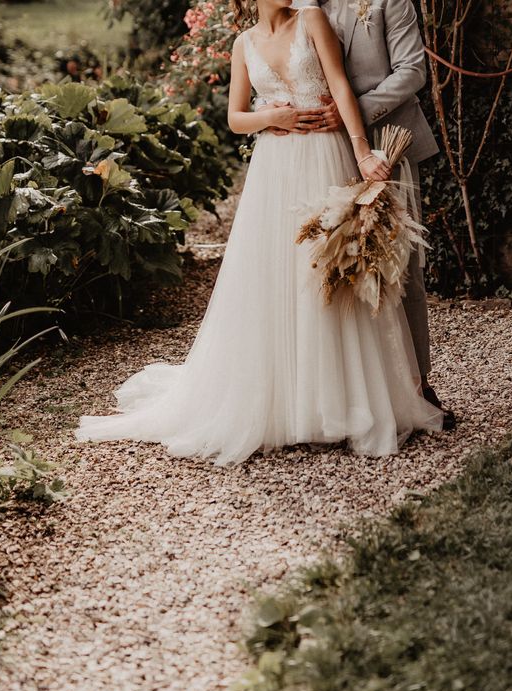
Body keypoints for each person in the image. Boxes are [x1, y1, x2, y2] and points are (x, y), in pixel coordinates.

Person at [76, 0, 443, 465]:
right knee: (277, 276)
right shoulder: (242, 42)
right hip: (275, 167)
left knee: (338, 271)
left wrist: (362, 150)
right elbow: (235, 118)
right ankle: (288, 399)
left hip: (328, 156)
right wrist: (272, 118)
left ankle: (357, 395)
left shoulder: (313, 19)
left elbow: (343, 89)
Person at [268, 0, 455, 428]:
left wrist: (353, 108)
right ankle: (345, 391)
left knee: (401, 268)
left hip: (388, 145)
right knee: (327, 268)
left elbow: (412, 72)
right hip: (321, 152)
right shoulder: (298, 4)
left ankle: (417, 386)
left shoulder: (392, 2)